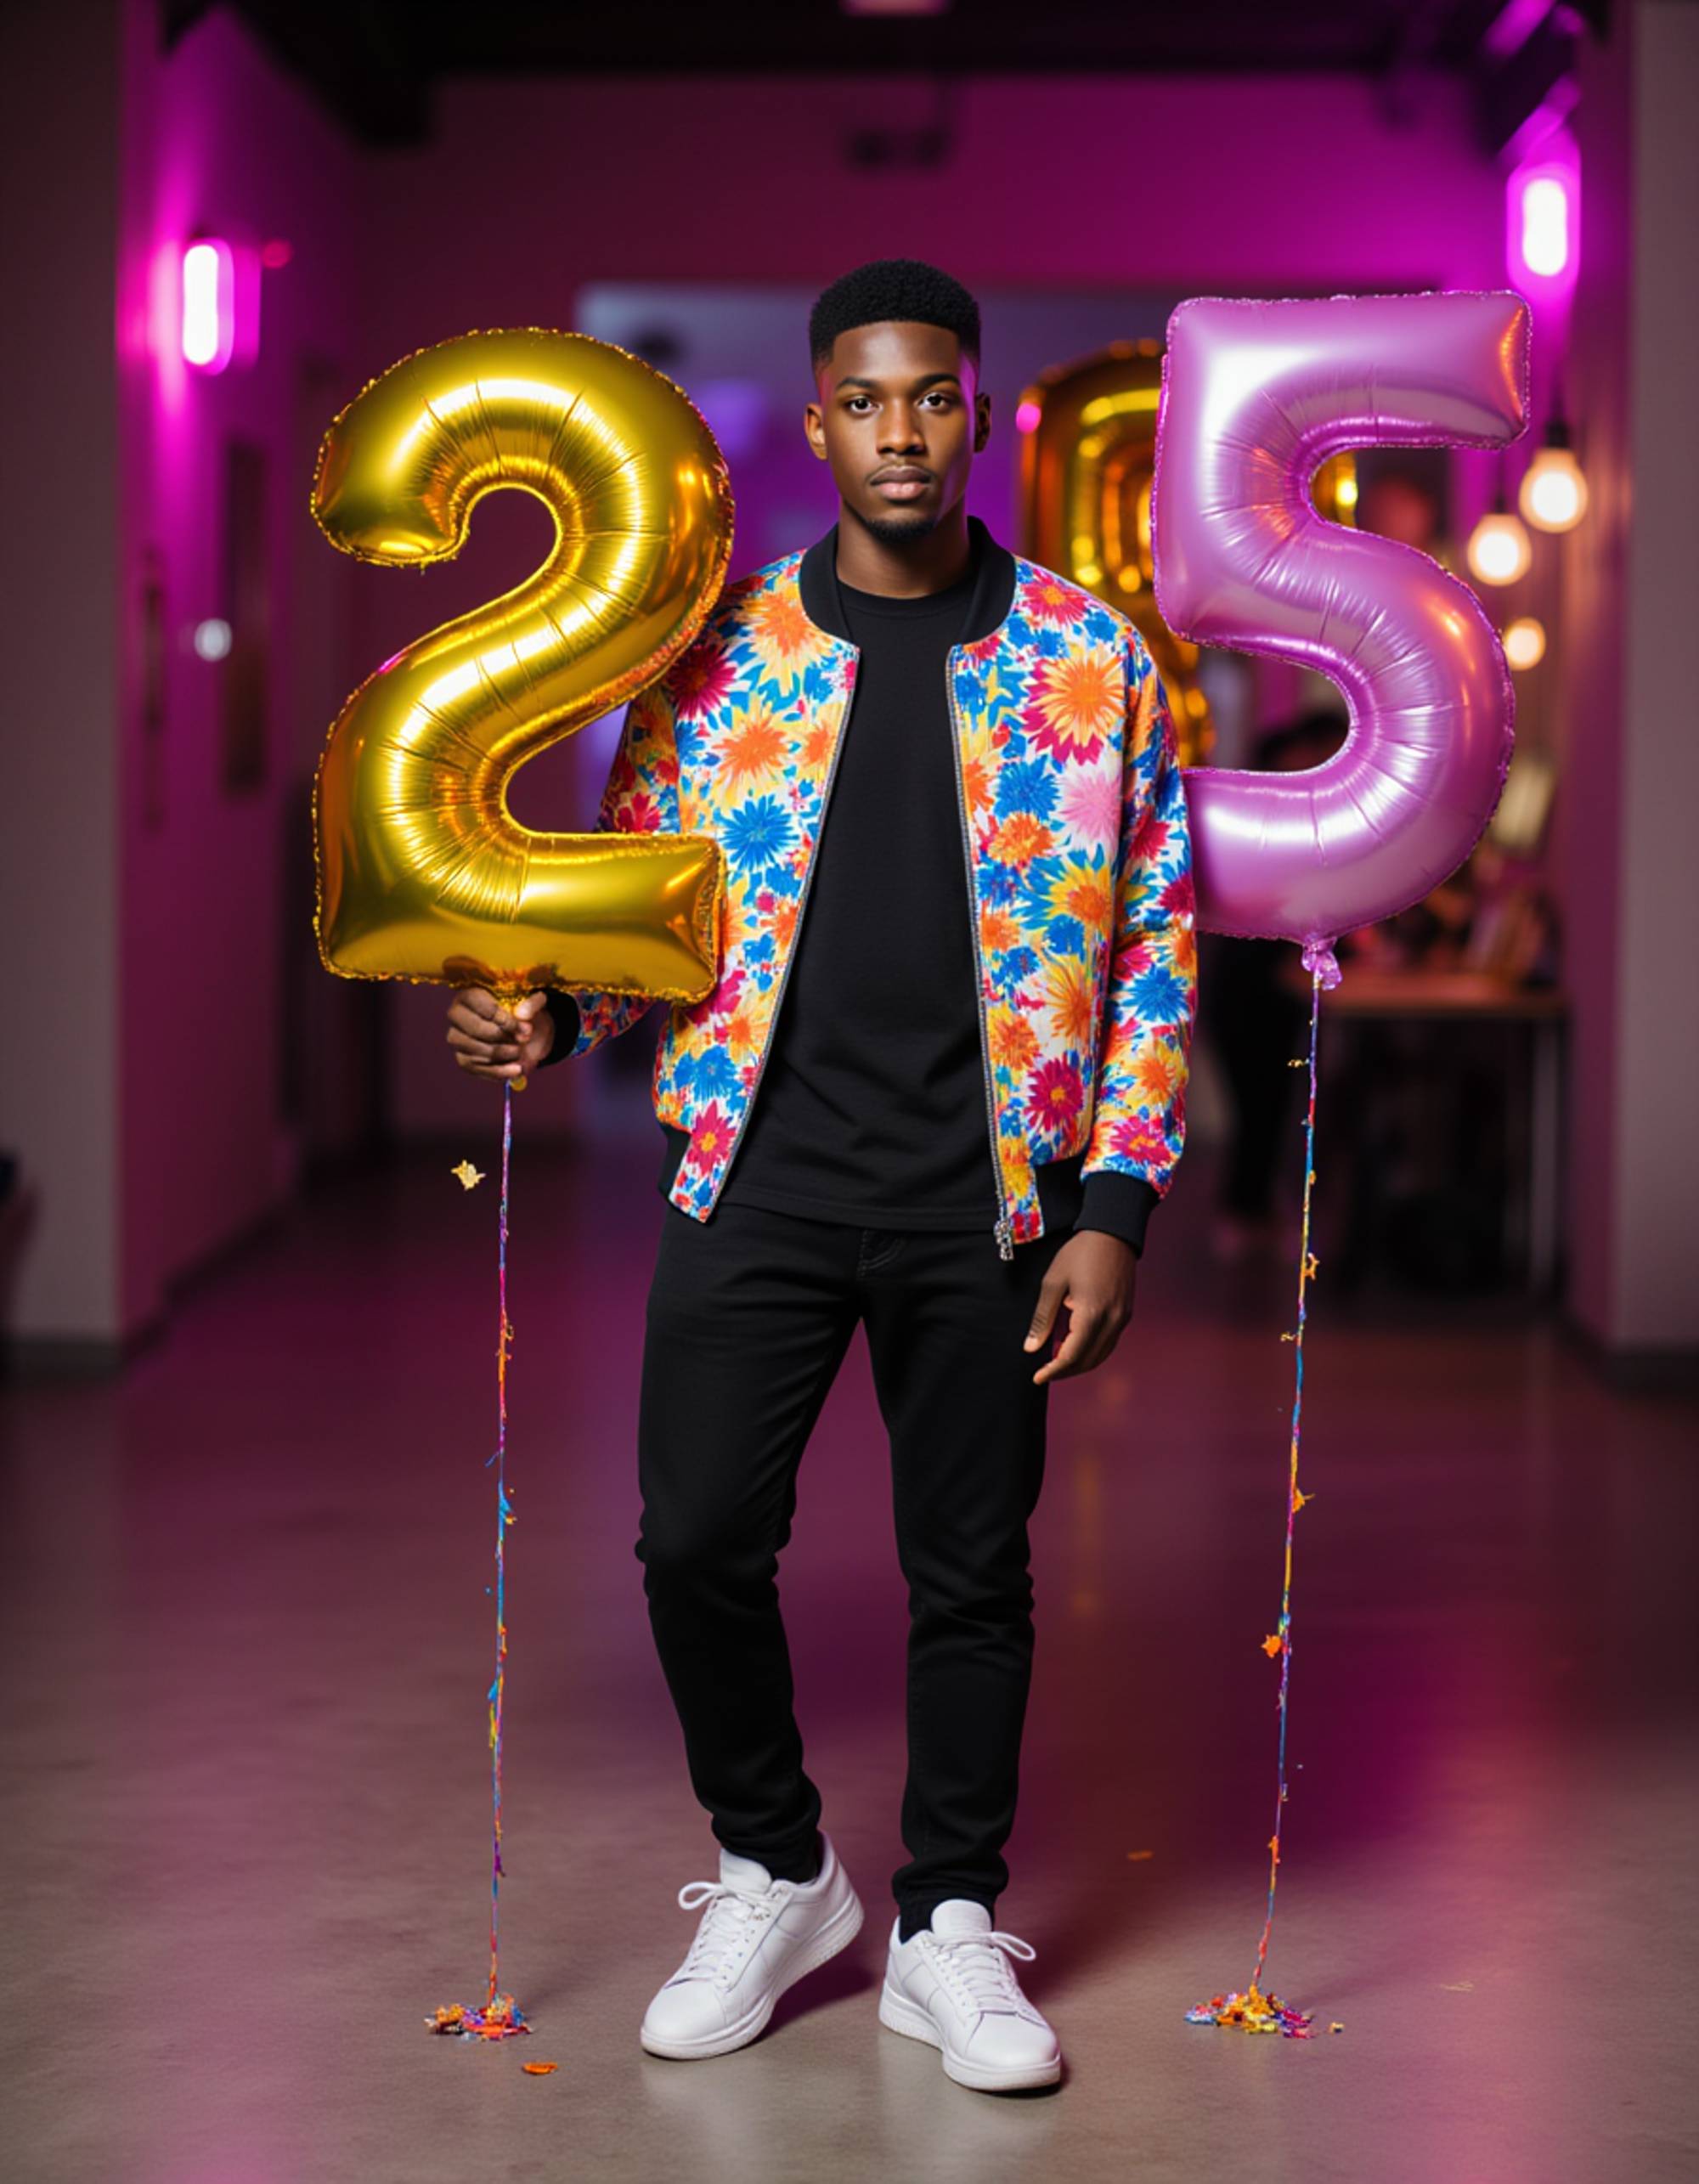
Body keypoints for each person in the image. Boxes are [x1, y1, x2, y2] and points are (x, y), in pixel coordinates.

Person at [444, 259, 1197, 2093]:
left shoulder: (1093, 659)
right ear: (817, 422)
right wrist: (549, 1026)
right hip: (756, 1178)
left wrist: (1113, 1207)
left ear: (980, 415)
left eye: (931, 397)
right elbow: (642, 913)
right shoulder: (717, 657)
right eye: (864, 401)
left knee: (973, 1570)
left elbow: (1162, 943)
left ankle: (947, 1920)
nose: (901, 432)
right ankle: (778, 1866)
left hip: (986, 1194)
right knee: (694, 1536)